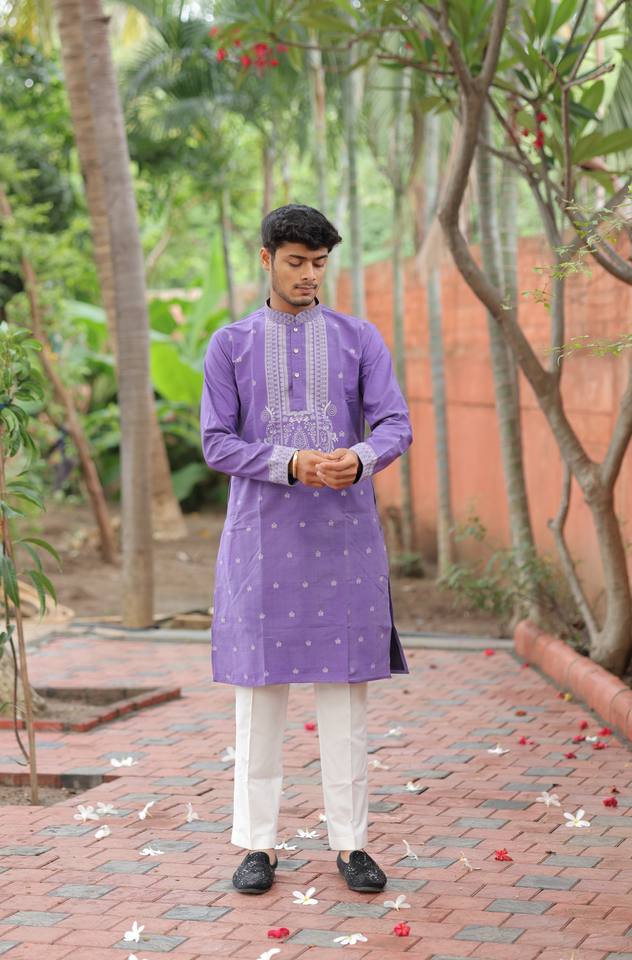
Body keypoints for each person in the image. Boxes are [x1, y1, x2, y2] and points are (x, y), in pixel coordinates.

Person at [200, 203, 412, 895]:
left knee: (346, 698)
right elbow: (216, 443)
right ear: (267, 259)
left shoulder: (359, 338)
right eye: (296, 262)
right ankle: (257, 845)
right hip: (263, 539)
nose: (309, 276)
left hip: (343, 539)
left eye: (319, 264)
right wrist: (290, 463)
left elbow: (394, 422)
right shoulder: (229, 344)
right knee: (260, 697)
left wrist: (360, 457)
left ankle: (352, 844)